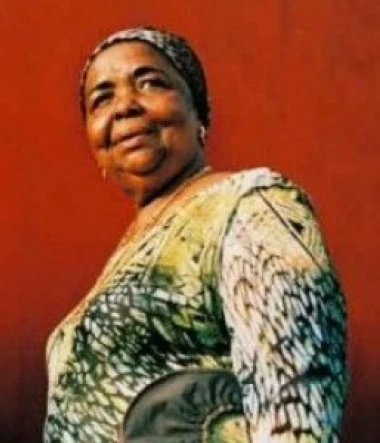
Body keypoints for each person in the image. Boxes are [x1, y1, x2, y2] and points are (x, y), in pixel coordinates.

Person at [44, 26, 348, 442]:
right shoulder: (127, 255)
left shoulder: (250, 204)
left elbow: (298, 391)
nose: (125, 106)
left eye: (151, 82)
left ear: (199, 113)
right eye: (102, 99)